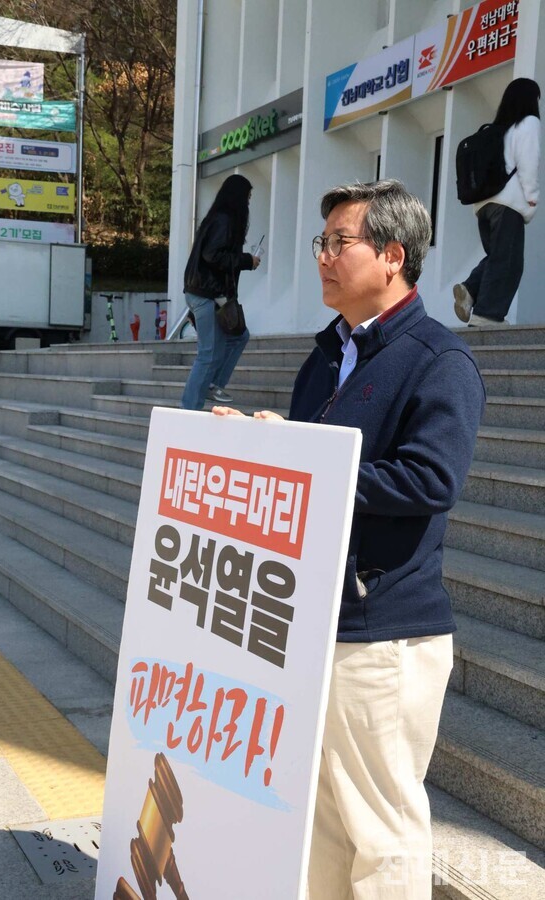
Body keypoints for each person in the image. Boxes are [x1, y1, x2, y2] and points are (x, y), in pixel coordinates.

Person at [213, 180, 485, 898]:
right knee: (325, 823)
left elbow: (430, 481)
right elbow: (307, 475)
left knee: (383, 830)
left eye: (341, 243)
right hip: (314, 621)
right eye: (321, 243)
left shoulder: (438, 361)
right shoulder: (328, 355)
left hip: (384, 634)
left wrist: (302, 456)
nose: (324, 258)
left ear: (392, 257)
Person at [454, 77, 541, 327]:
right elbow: (528, 162)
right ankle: (487, 315)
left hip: (483, 206)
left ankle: (470, 290)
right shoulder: (528, 123)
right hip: (508, 203)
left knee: (498, 257)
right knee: (510, 262)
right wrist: (532, 197)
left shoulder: (499, 128)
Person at [181, 174, 261, 410]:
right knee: (208, 354)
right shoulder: (224, 220)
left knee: (238, 337)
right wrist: (247, 260)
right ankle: (190, 409)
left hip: (207, 293)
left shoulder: (215, 219)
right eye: (247, 197)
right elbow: (213, 256)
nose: (248, 203)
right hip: (208, 294)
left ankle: (211, 386)